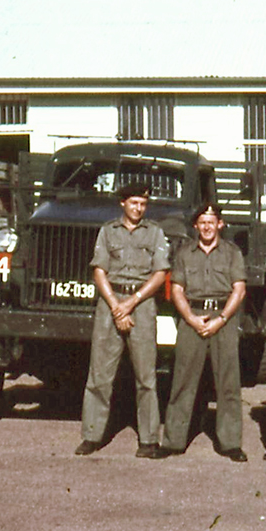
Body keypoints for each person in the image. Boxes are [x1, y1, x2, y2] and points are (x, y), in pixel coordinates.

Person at [76, 182, 170, 458]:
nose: (138, 208)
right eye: (133, 203)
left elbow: (160, 273)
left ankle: (149, 439)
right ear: (123, 204)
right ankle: (91, 436)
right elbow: (99, 272)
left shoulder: (154, 233)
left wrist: (131, 302)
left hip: (141, 304)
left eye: (143, 204)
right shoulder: (108, 231)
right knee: (100, 375)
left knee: (146, 376)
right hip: (111, 303)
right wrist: (117, 307)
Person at [156, 204, 248, 462]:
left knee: (228, 382)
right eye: (202, 222)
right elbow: (177, 291)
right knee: (183, 380)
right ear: (195, 226)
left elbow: (238, 290)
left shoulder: (232, 253)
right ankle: (174, 441)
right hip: (192, 318)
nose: (207, 227)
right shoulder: (185, 253)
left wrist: (221, 319)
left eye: (212, 221)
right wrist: (192, 320)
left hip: (223, 319)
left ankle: (230, 443)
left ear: (220, 224)